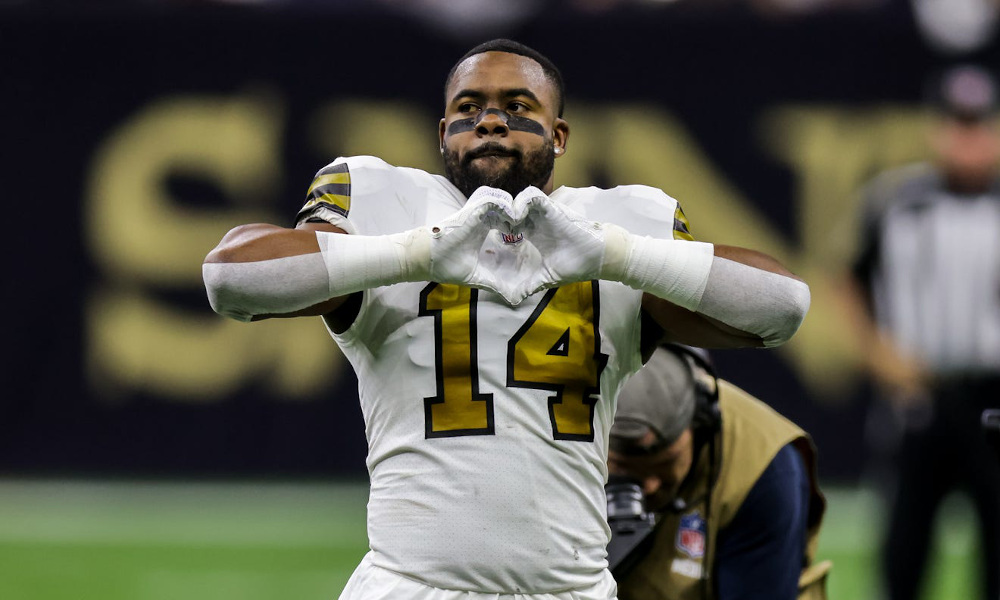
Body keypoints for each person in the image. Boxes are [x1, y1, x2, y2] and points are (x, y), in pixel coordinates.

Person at [202, 39, 810, 600]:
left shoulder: (614, 224)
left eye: (518, 106)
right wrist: (420, 252)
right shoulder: (391, 204)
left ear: (560, 134)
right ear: (444, 133)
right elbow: (231, 280)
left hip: (571, 588)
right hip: (412, 584)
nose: (490, 119)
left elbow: (782, 309)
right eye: (469, 107)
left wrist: (611, 254)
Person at [844, 64, 1000, 600]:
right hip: (920, 392)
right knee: (904, 549)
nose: (968, 140)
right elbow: (845, 279)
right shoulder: (894, 200)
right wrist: (877, 352)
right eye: (957, 124)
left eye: (979, 124)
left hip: (994, 390)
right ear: (935, 128)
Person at [607, 344, 829, 600]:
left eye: (666, 463)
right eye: (625, 468)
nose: (651, 486)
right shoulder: (563, 442)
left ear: (701, 421)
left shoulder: (761, 466)